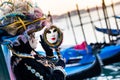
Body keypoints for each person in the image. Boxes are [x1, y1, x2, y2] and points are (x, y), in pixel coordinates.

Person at [0, 0, 66, 80]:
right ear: (23, 39)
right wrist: (60, 68)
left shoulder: (23, 57)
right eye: (32, 35)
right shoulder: (25, 64)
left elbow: (45, 69)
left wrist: (49, 53)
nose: (35, 38)